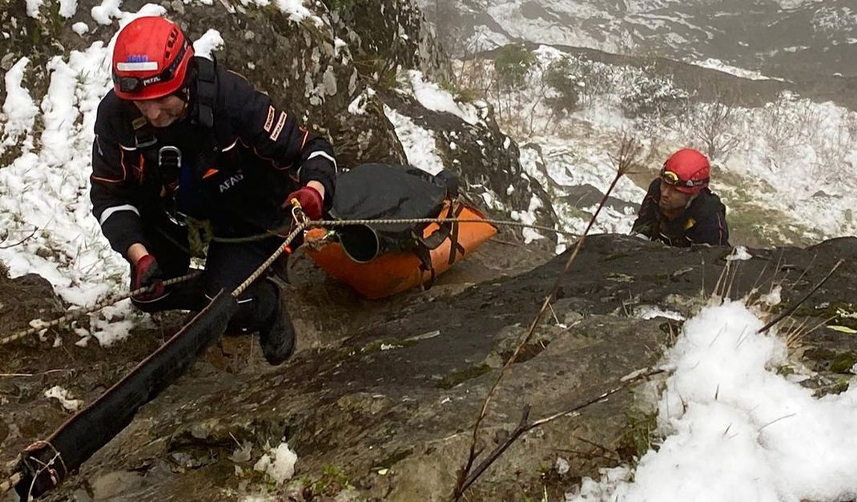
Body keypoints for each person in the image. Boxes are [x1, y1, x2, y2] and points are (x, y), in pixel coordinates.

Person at [90, 16, 337, 364]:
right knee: (148, 296)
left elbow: (312, 149)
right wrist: (139, 255)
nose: (153, 113)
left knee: (229, 309)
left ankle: (263, 301)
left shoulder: (231, 101)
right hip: (179, 215)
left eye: (162, 99)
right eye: (141, 104)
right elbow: (109, 195)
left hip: (249, 215)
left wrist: (313, 190)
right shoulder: (117, 117)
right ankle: (214, 285)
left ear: (184, 80)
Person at [631, 148, 729, 247]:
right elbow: (643, 221)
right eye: (664, 184)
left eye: (675, 191)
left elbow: (711, 259)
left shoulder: (710, 222)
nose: (665, 193)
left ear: (693, 194)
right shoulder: (656, 191)